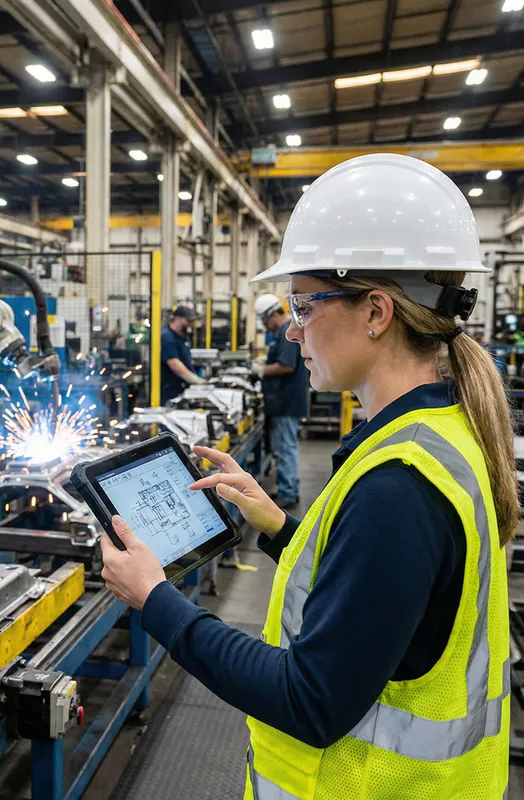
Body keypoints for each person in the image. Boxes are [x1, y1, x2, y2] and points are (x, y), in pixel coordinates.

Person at [100, 154, 514, 798]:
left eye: (303, 304)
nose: (293, 332)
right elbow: (383, 601)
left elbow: (310, 701)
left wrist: (158, 601)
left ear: (376, 312)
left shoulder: (399, 485)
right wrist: (278, 529)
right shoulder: (441, 434)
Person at [254, 293, 309, 509]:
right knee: (285, 447)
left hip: (286, 403)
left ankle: (288, 493)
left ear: (270, 315)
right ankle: (288, 486)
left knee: (286, 448)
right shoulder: (283, 331)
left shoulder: (287, 332)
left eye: (264, 321)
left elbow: (286, 366)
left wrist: (260, 370)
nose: (265, 326)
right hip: (284, 402)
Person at [160, 304, 205, 404]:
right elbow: (174, 364)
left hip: (182, 389)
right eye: (188, 321)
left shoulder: (183, 337)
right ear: (177, 319)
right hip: (170, 391)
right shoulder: (167, 337)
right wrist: (196, 381)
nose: (190, 324)